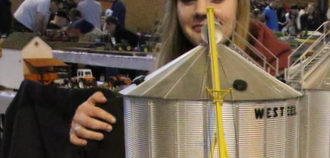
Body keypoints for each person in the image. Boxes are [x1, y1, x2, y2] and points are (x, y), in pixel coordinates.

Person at [70, 0, 291, 146]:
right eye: (187, 0)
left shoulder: (281, 74)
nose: (201, 10)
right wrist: (88, 122)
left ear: (239, 6)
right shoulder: (160, 82)